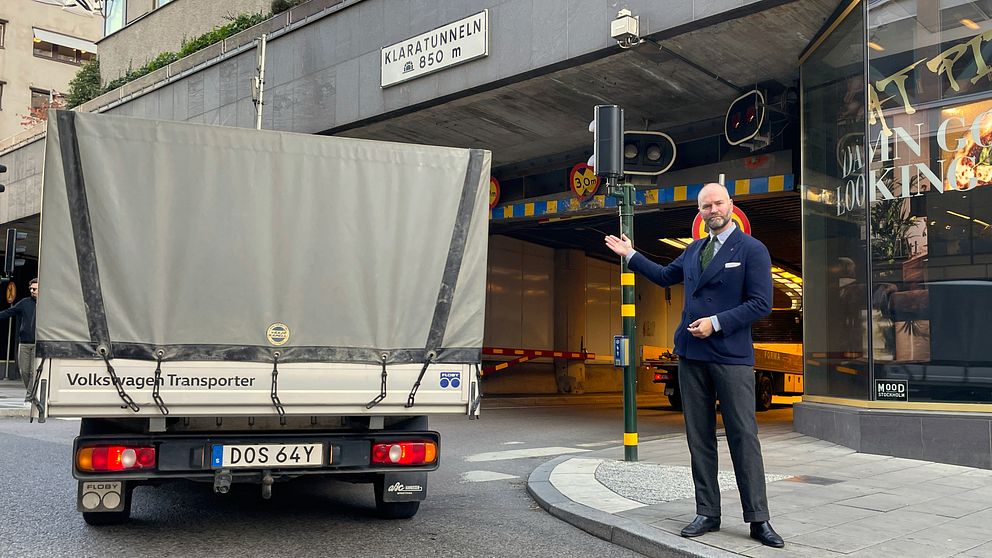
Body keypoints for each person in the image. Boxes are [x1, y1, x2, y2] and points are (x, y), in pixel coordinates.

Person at [604, 183, 784, 548]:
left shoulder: (752, 249)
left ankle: (758, 518)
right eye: (706, 205)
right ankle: (707, 512)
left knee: (743, 437)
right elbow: (661, 276)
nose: (712, 209)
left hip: (730, 355)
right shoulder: (694, 250)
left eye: (718, 203)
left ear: (731, 205)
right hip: (691, 354)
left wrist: (715, 322)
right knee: (699, 437)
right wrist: (631, 255)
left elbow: (761, 303)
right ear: (700, 213)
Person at [0, 278, 38, 397]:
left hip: (39, 343)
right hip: (24, 342)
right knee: (24, 371)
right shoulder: (24, 303)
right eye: (31, 288)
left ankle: (30, 396)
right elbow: (9, 312)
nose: (32, 291)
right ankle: (32, 393)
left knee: (34, 371)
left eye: (35, 289)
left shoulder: (47, 304)